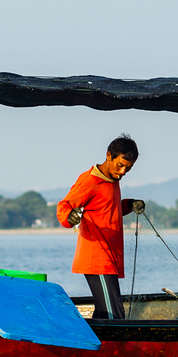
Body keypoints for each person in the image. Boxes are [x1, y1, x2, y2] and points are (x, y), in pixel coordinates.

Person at [57, 135, 146, 320]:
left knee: (104, 313)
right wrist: (70, 216)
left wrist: (129, 204)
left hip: (109, 258)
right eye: (119, 165)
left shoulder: (112, 180)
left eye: (128, 169)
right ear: (108, 156)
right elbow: (63, 206)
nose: (122, 172)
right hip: (96, 259)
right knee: (115, 316)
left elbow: (108, 210)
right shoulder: (90, 181)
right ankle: (115, 348)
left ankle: (91, 347)